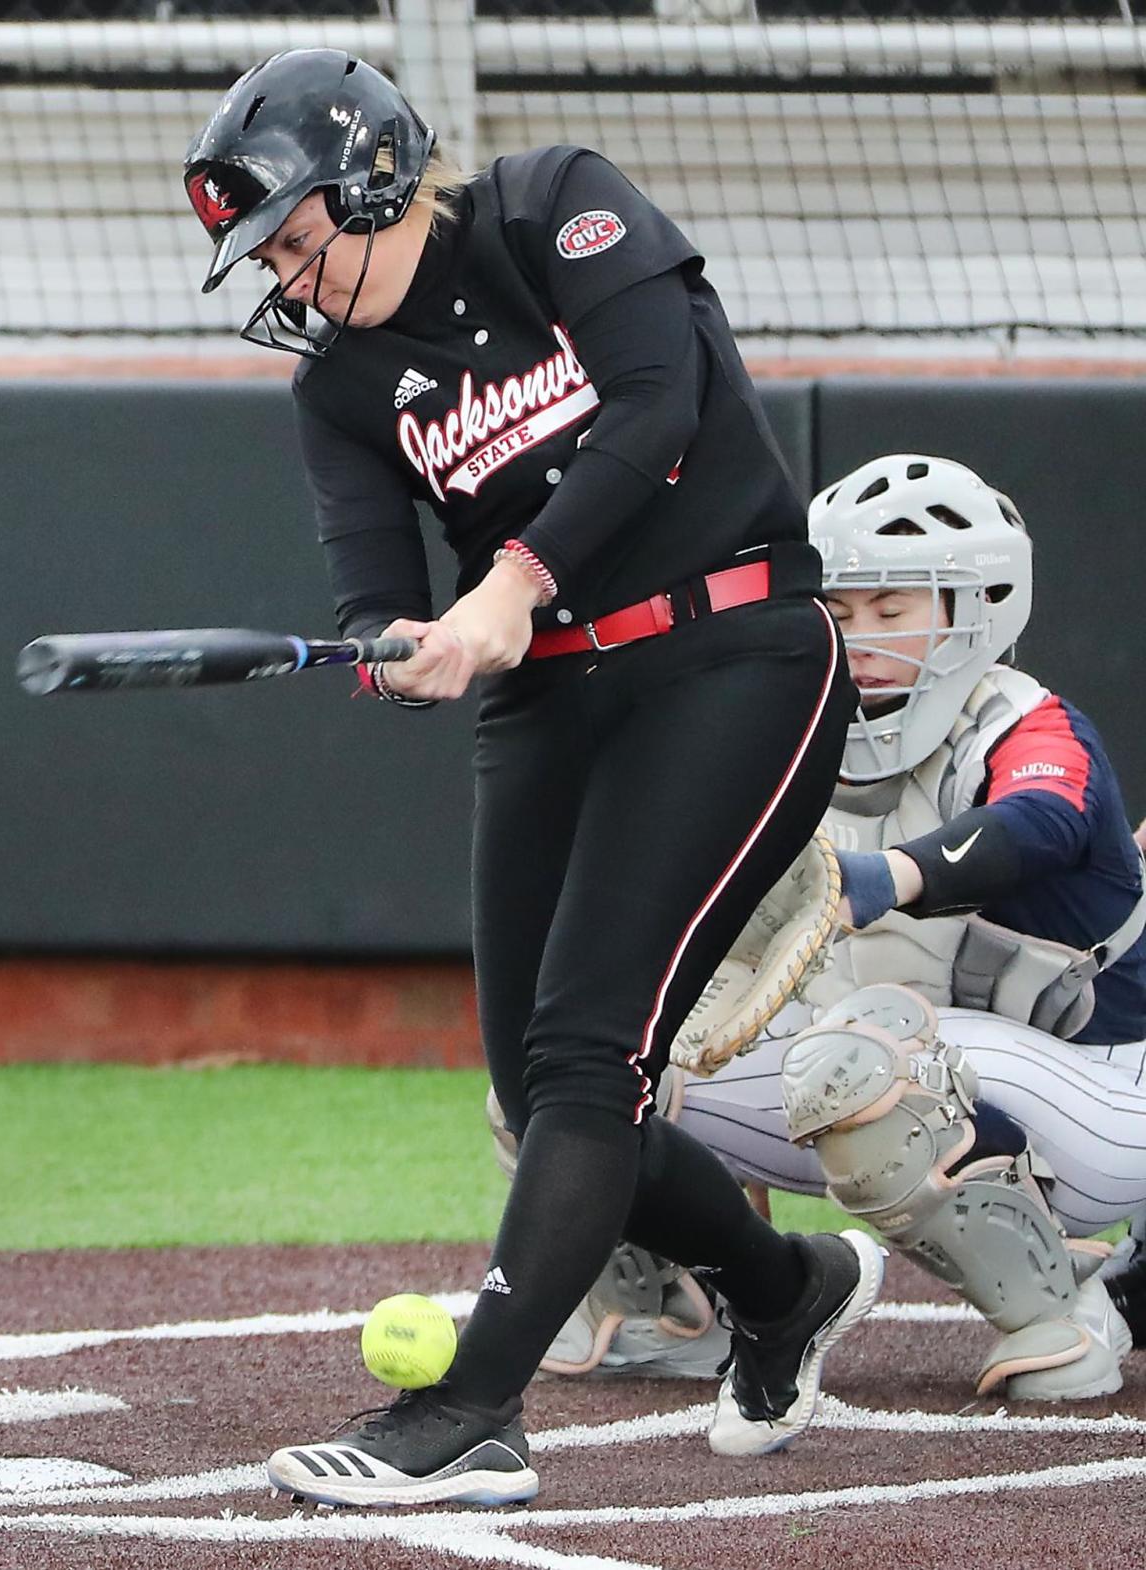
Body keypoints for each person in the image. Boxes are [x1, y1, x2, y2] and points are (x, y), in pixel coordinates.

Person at [184, 50, 884, 1508]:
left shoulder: (551, 204)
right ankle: (783, 1285)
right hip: (551, 702)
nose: (290, 281)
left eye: (299, 240)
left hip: (734, 651)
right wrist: (398, 647)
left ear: (376, 175)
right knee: (541, 1083)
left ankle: (470, 1408)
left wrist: (516, 575)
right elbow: (375, 588)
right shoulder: (338, 390)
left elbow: (659, 397)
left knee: (585, 1050)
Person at [550, 452, 1146, 1399]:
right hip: (910, 1067)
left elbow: (1040, 824)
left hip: (1106, 1100)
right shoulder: (790, 728)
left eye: (894, 607)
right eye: (844, 608)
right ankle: (687, 1307)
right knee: (588, 1056)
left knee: (869, 1052)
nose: (863, 635)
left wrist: (887, 878)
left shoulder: (1027, 722)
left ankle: (1069, 1319)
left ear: (975, 607)